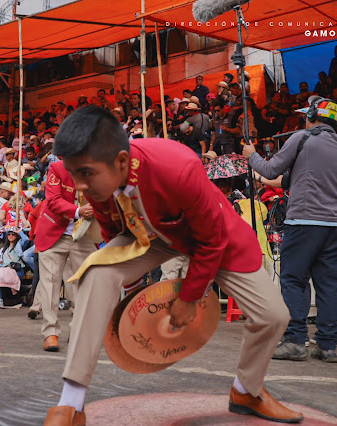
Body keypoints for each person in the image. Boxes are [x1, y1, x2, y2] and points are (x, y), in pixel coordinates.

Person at [43, 106, 302, 425]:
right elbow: (112, 230)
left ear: (121, 161)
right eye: (74, 175)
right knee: (98, 270)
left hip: (215, 239)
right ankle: (71, 403)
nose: (79, 187)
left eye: (85, 174)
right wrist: (128, 287)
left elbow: (210, 241)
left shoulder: (179, 166)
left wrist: (190, 297)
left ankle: (246, 390)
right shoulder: (95, 179)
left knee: (274, 316)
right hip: (151, 237)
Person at [244, 96, 337, 363]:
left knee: (293, 280)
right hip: (334, 225)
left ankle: (295, 341)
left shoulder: (302, 137)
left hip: (304, 222)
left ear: (312, 116)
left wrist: (252, 156)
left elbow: (270, 169)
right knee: (327, 283)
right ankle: (328, 345)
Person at [35, 161, 97, 352]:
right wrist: (78, 211)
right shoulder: (57, 168)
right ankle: (50, 333)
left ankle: (77, 330)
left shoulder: (99, 170)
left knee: (85, 285)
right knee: (50, 284)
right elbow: (53, 201)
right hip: (54, 233)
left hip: (85, 235)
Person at [0, 227, 30, 308]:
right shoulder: (4, 249)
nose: (11, 236)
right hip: (5, 270)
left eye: (13, 234)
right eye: (9, 234)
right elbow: (0, 263)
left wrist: (19, 232)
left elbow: (26, 239)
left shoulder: (19, 245)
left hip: (15, 270)